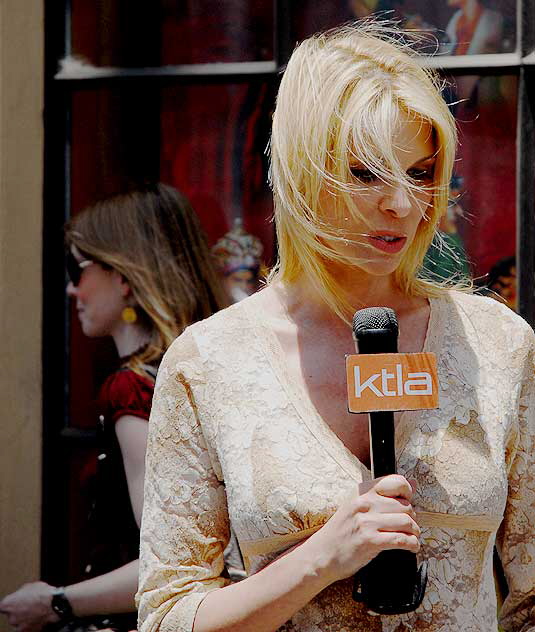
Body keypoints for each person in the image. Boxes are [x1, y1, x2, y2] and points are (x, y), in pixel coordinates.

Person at [136, 22, 535, 632]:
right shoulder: (210, 362)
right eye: (366, 173)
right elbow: (166, 616)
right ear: (302, 170)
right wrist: (320, 559)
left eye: (424, 173)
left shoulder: (499, 346)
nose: (402, 205)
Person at [0, 184, 228, 632]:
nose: (71, 288)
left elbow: (166, 561)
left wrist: (56, 603)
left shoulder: (133, 389)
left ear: (124, 277)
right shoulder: (205, 368)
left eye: (77, 267)